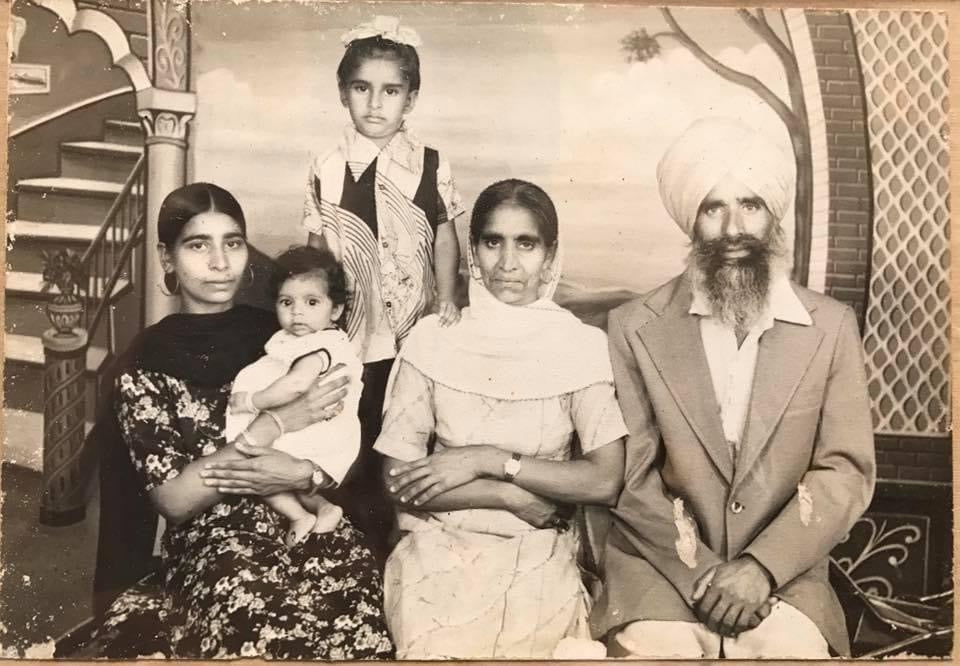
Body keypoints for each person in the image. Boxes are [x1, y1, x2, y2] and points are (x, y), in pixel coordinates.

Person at [590, 117, 876, 658]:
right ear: (690, 221)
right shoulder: (632, 326)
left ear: (773, 216)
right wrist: (704, 573)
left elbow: (844, 470)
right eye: (712, 207)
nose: (732, 228)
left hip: (785, 577)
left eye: (751, 204)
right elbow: (634, 474)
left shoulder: (832, 326)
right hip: (661, 571)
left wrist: (761, 568)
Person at [95, 183, 393, 659]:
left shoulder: (281, 332)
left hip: (308, 513)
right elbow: (175, 498)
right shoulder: (141, 365)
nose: (220, 262)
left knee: (361, 608)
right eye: (198, 245)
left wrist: (307, 473)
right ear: (166, 258)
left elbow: (338, 429)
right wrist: (271, 427)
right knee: (263, 626)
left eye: (232, 243)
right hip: (215, 540)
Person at [373, 179, 628, 659]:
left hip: (537, 546)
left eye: (526, 244)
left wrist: (486, 459)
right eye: (493, 242)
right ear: (473, 251)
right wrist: (506, 493)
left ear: (550, 255)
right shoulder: (432, 340)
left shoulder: (581, 347)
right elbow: (393, 479)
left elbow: (604, 479)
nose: (508, 263)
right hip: (438, 541)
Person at [302, 15, 464, 563]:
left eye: (390, 90)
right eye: (362, 88)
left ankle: (410, 532)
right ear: (343, 93)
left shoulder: (431, 164)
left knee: (411, 421)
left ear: (410, 99)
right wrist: (319, 315)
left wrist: (446, 297)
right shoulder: (327, 166)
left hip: (415, 322)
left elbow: (443, 235)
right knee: (361, 421)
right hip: (355, 328)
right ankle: (356, 536)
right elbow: (317, 247)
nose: (375, 103)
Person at [225, 245, 363, 546]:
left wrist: (253, 400)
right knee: (269, 469)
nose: (297, 311)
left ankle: (299, 515)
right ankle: (323, 508)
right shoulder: (297, 340)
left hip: (320, 430)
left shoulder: (326, 343)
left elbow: (297, 384)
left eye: (311, 302)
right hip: (315, 431)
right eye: (286, 302)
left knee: (255, 461)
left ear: (335, 310)